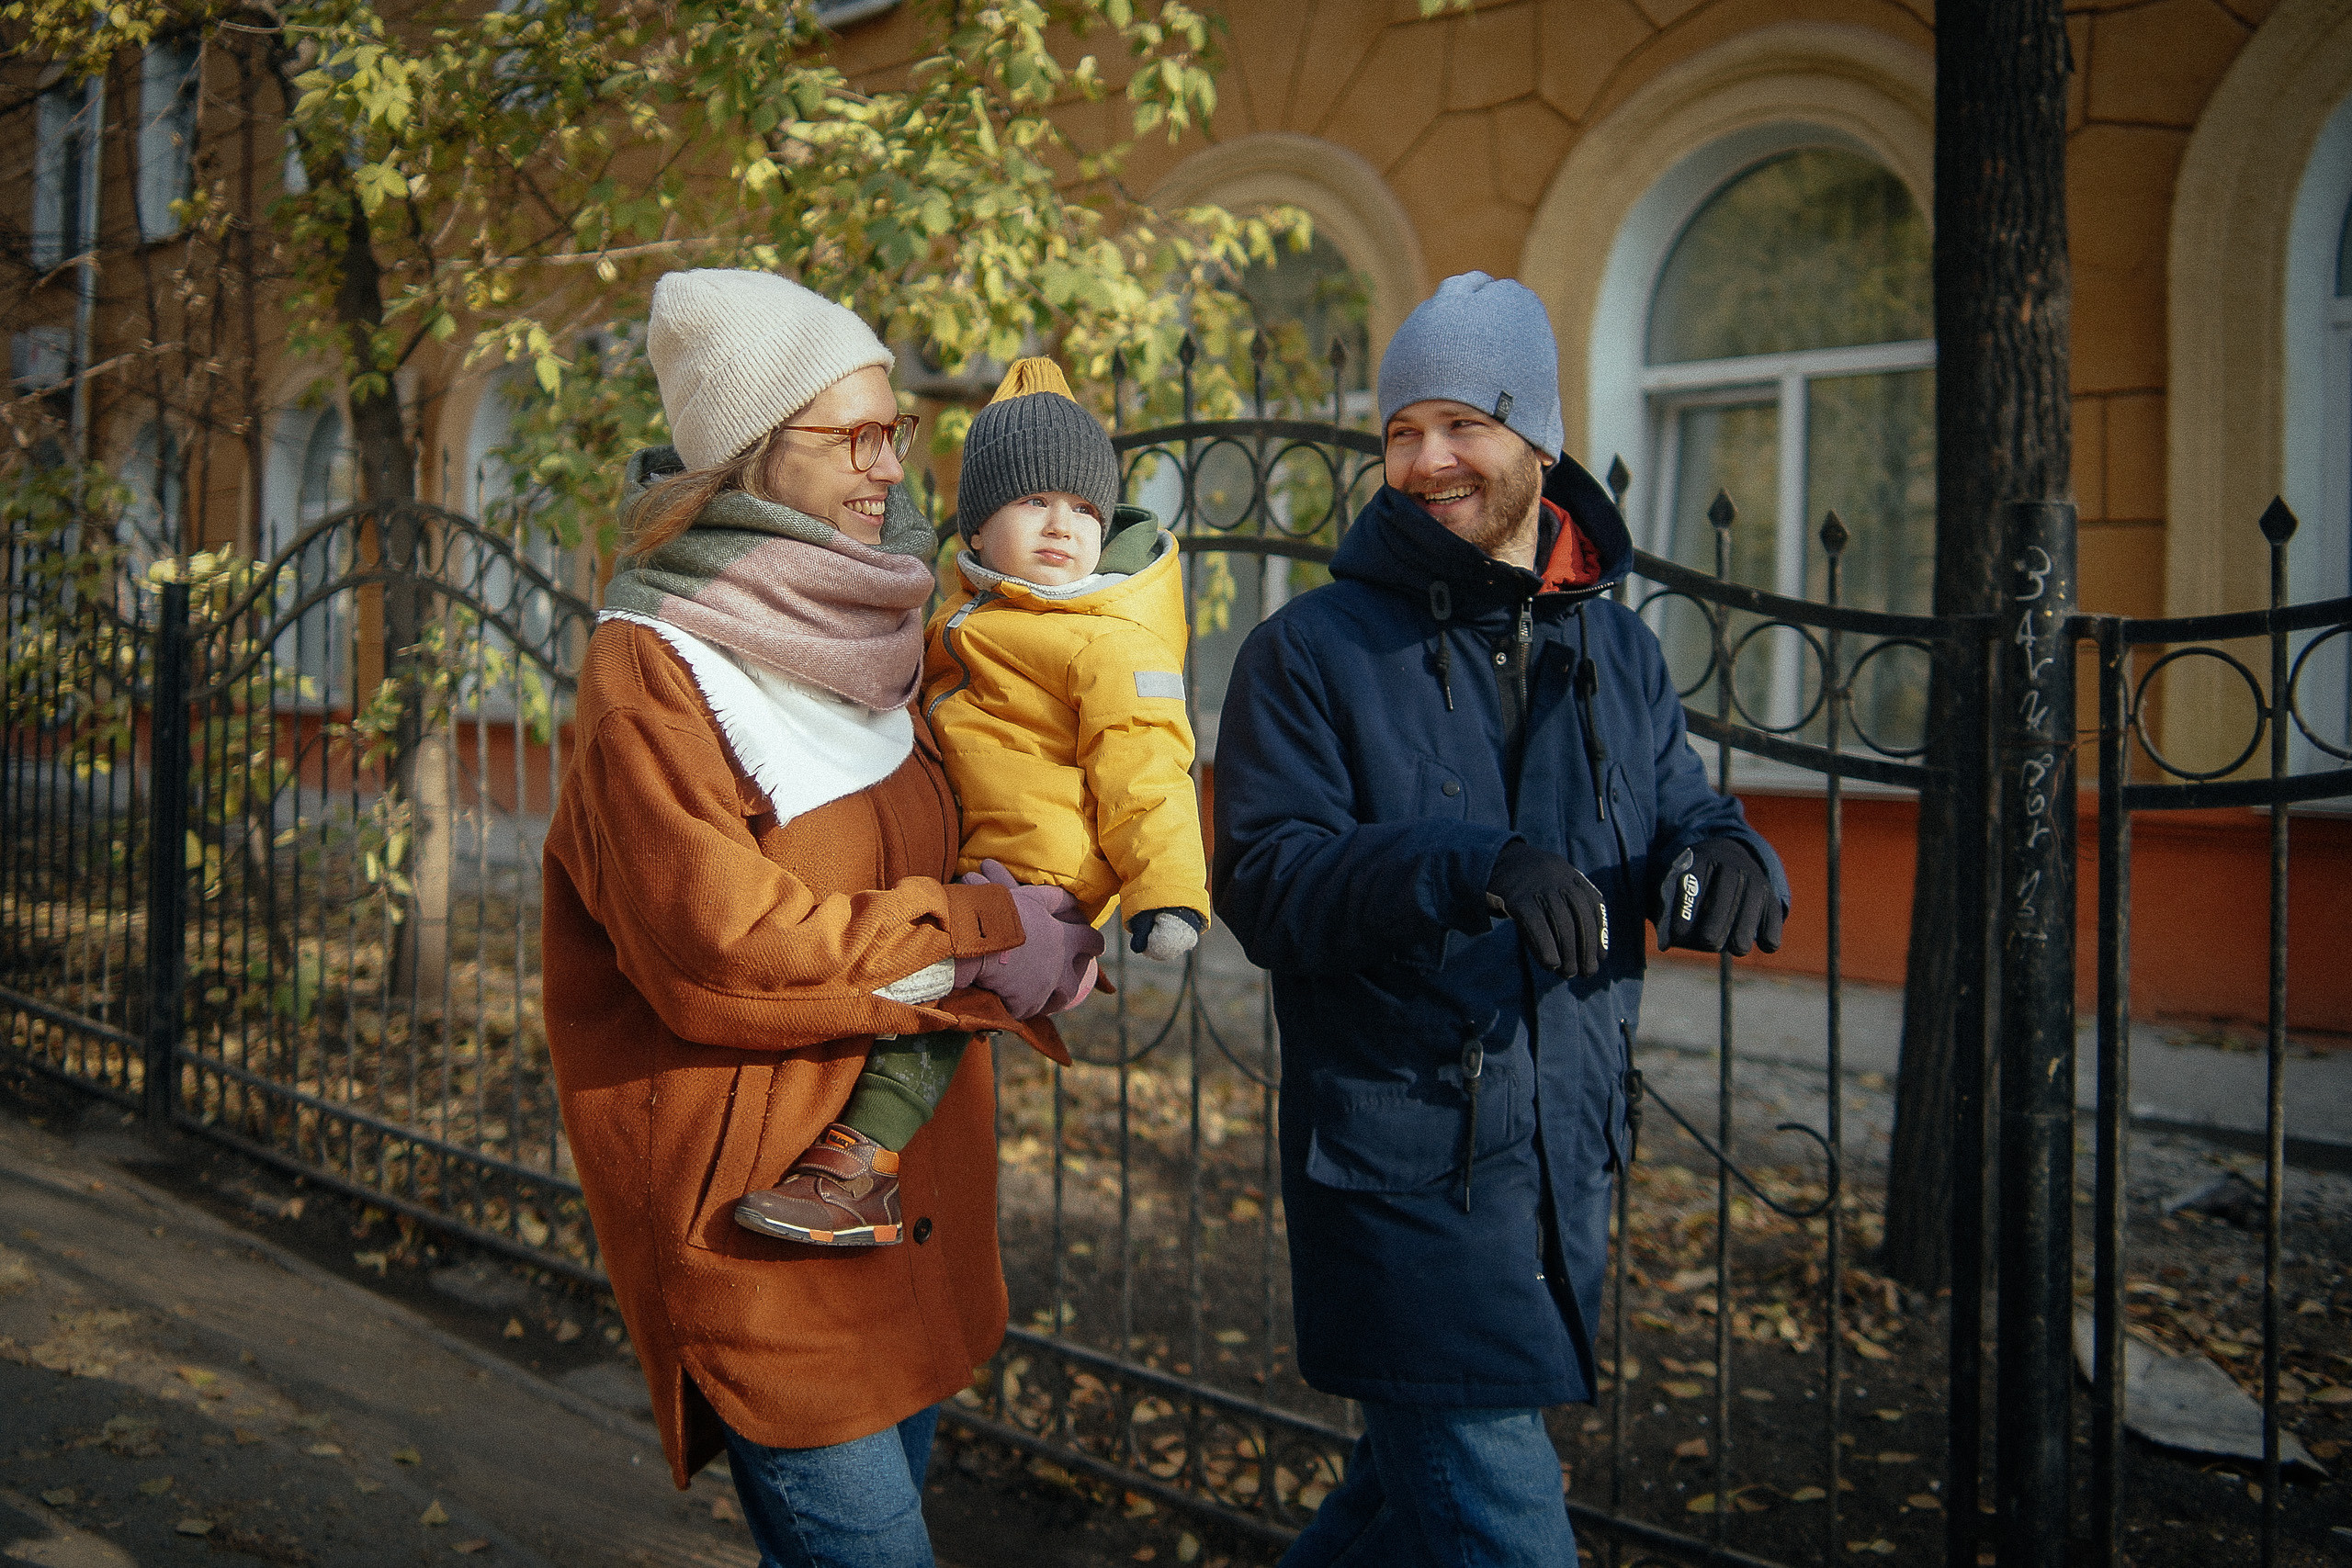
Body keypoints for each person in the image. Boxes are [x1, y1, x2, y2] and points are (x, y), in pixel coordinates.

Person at [1212, 271, 1789, 1565]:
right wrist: (1470, 865)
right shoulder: (1309, 652)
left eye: (1462, 424)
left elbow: (1685, 809)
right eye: (1401, 432)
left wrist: (1725, 857)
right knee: (1497, 1516)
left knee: (1397, 1502)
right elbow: (1269, 880)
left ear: (1538, 441)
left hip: (1560, 1153)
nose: (1427, 460)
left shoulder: (1619, 653)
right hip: (1405, 1172)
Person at [540, 267, 1102, 1568]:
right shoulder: (656, 661)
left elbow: (970, 825)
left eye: (892, 430)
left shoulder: (890, 623)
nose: (888, 466)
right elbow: (718, 946)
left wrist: (1053, 899)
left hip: (904, 1202)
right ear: (748, 450)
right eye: (849, 436)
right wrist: (978, 929)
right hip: (760, 1223)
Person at [736, 355, 1211, 1248]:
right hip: (969, 858)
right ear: (980, 529)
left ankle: (862, 1166)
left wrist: (1168, 896)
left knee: (928, 990)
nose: (1063, 525)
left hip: (1036, 881)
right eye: (1034, 501)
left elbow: (1150, 773)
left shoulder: (1109, 640)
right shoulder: (969, 611)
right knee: (908, 971)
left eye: (1084, 509)